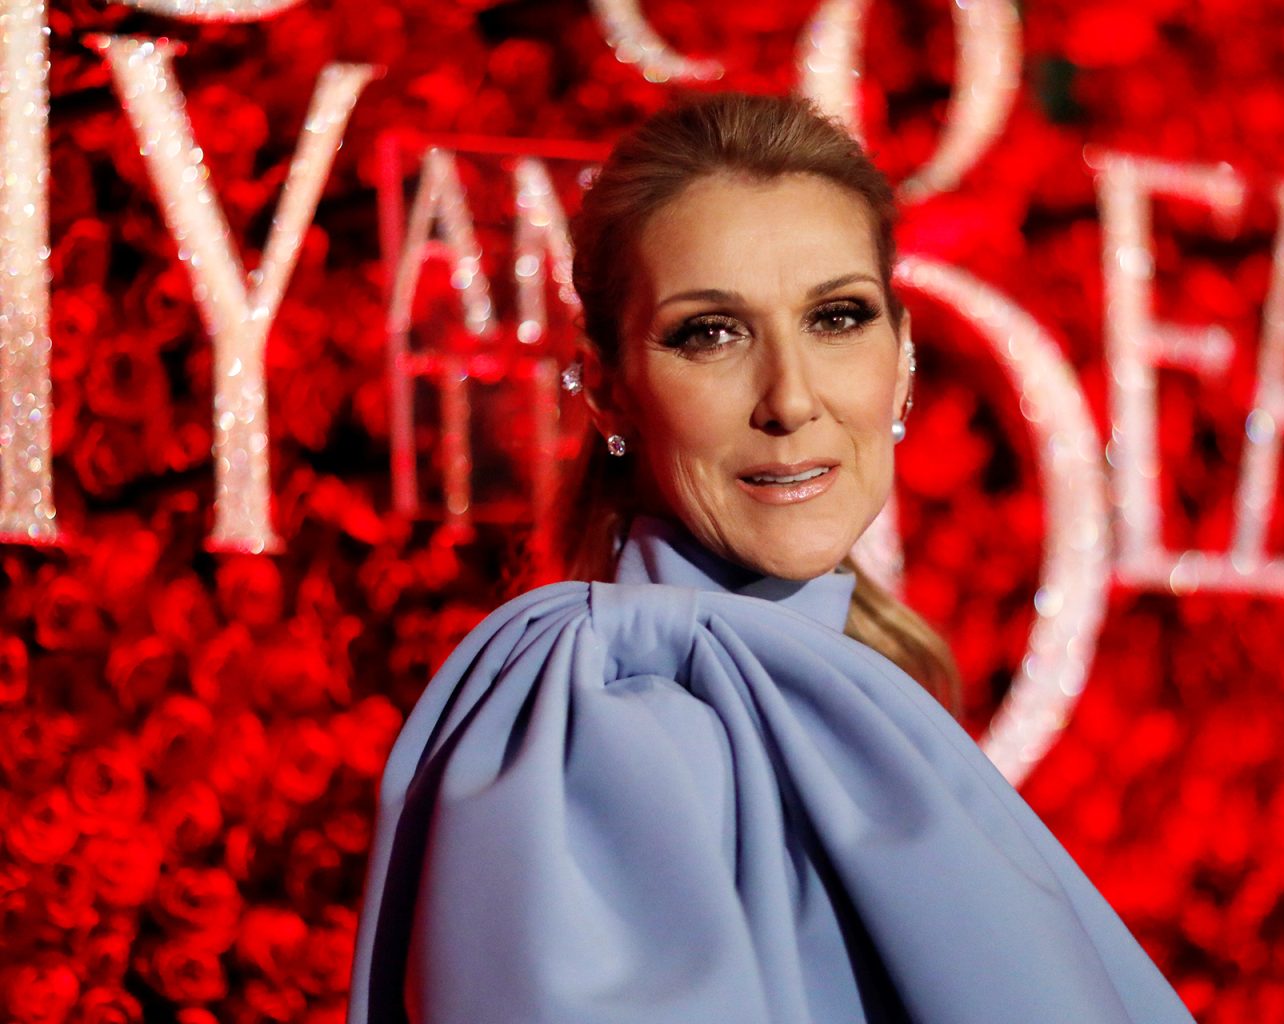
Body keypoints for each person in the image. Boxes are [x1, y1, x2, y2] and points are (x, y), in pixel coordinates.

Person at [347, 92, 1196, 1024]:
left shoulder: (875, 708)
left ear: (903, 361)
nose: (790, 399)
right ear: (610, 392)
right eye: (711, 333)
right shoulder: (598, 716)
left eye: (837, 318)